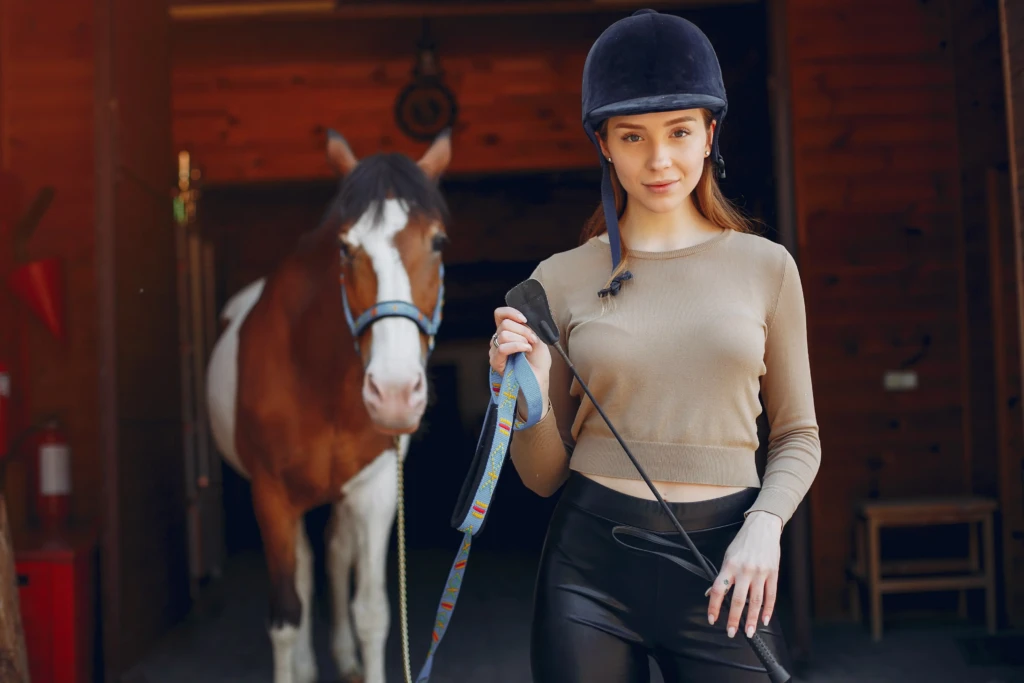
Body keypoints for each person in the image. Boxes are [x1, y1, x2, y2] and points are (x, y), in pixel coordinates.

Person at [487, 9, 821, 683]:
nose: (659, 158)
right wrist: (522, 396)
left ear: (709, 134)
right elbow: (544, 475)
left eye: (678, 131)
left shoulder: (768, 267)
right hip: (588, 571)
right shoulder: (557, 278)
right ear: (605, 144)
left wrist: (765, 525)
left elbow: (798, 434)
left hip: (729, 564)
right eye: (632, 136)